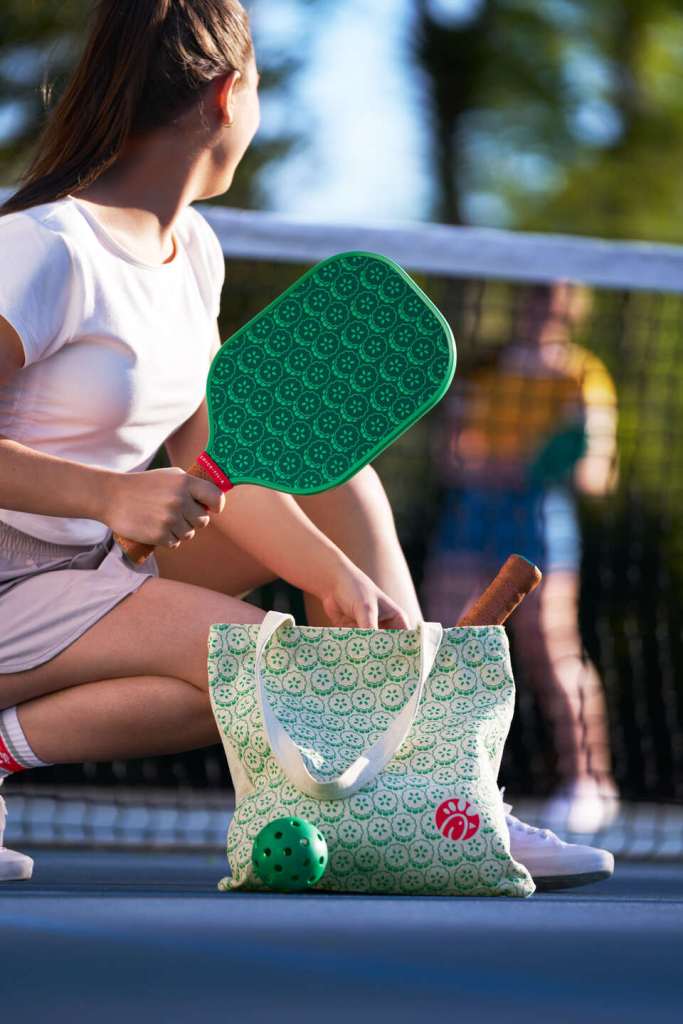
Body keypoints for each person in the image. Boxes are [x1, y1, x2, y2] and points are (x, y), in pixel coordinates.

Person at [0, 0, 611, 889]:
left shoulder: (191, 252)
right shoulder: (42, 247)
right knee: (274, 675)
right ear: (226, 91)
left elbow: (220, 457)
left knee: (342, 486)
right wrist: (106, 496)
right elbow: (129, 493)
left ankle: (443, 789)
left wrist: (331, 575)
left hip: (83, 568)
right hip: (14, 582)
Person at [423, 281, 620, 832]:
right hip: (474, 512)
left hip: (540, 516)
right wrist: (491, 468)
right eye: (535, 297)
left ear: (571, 309)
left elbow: (597, 473)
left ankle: (590, 782)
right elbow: (451, 457)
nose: (543, 309)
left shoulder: (583, 377)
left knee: (551, 647)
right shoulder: (483, 369)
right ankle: (443, 778)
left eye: (554, 300)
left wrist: (549, 465)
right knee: (444, 639)